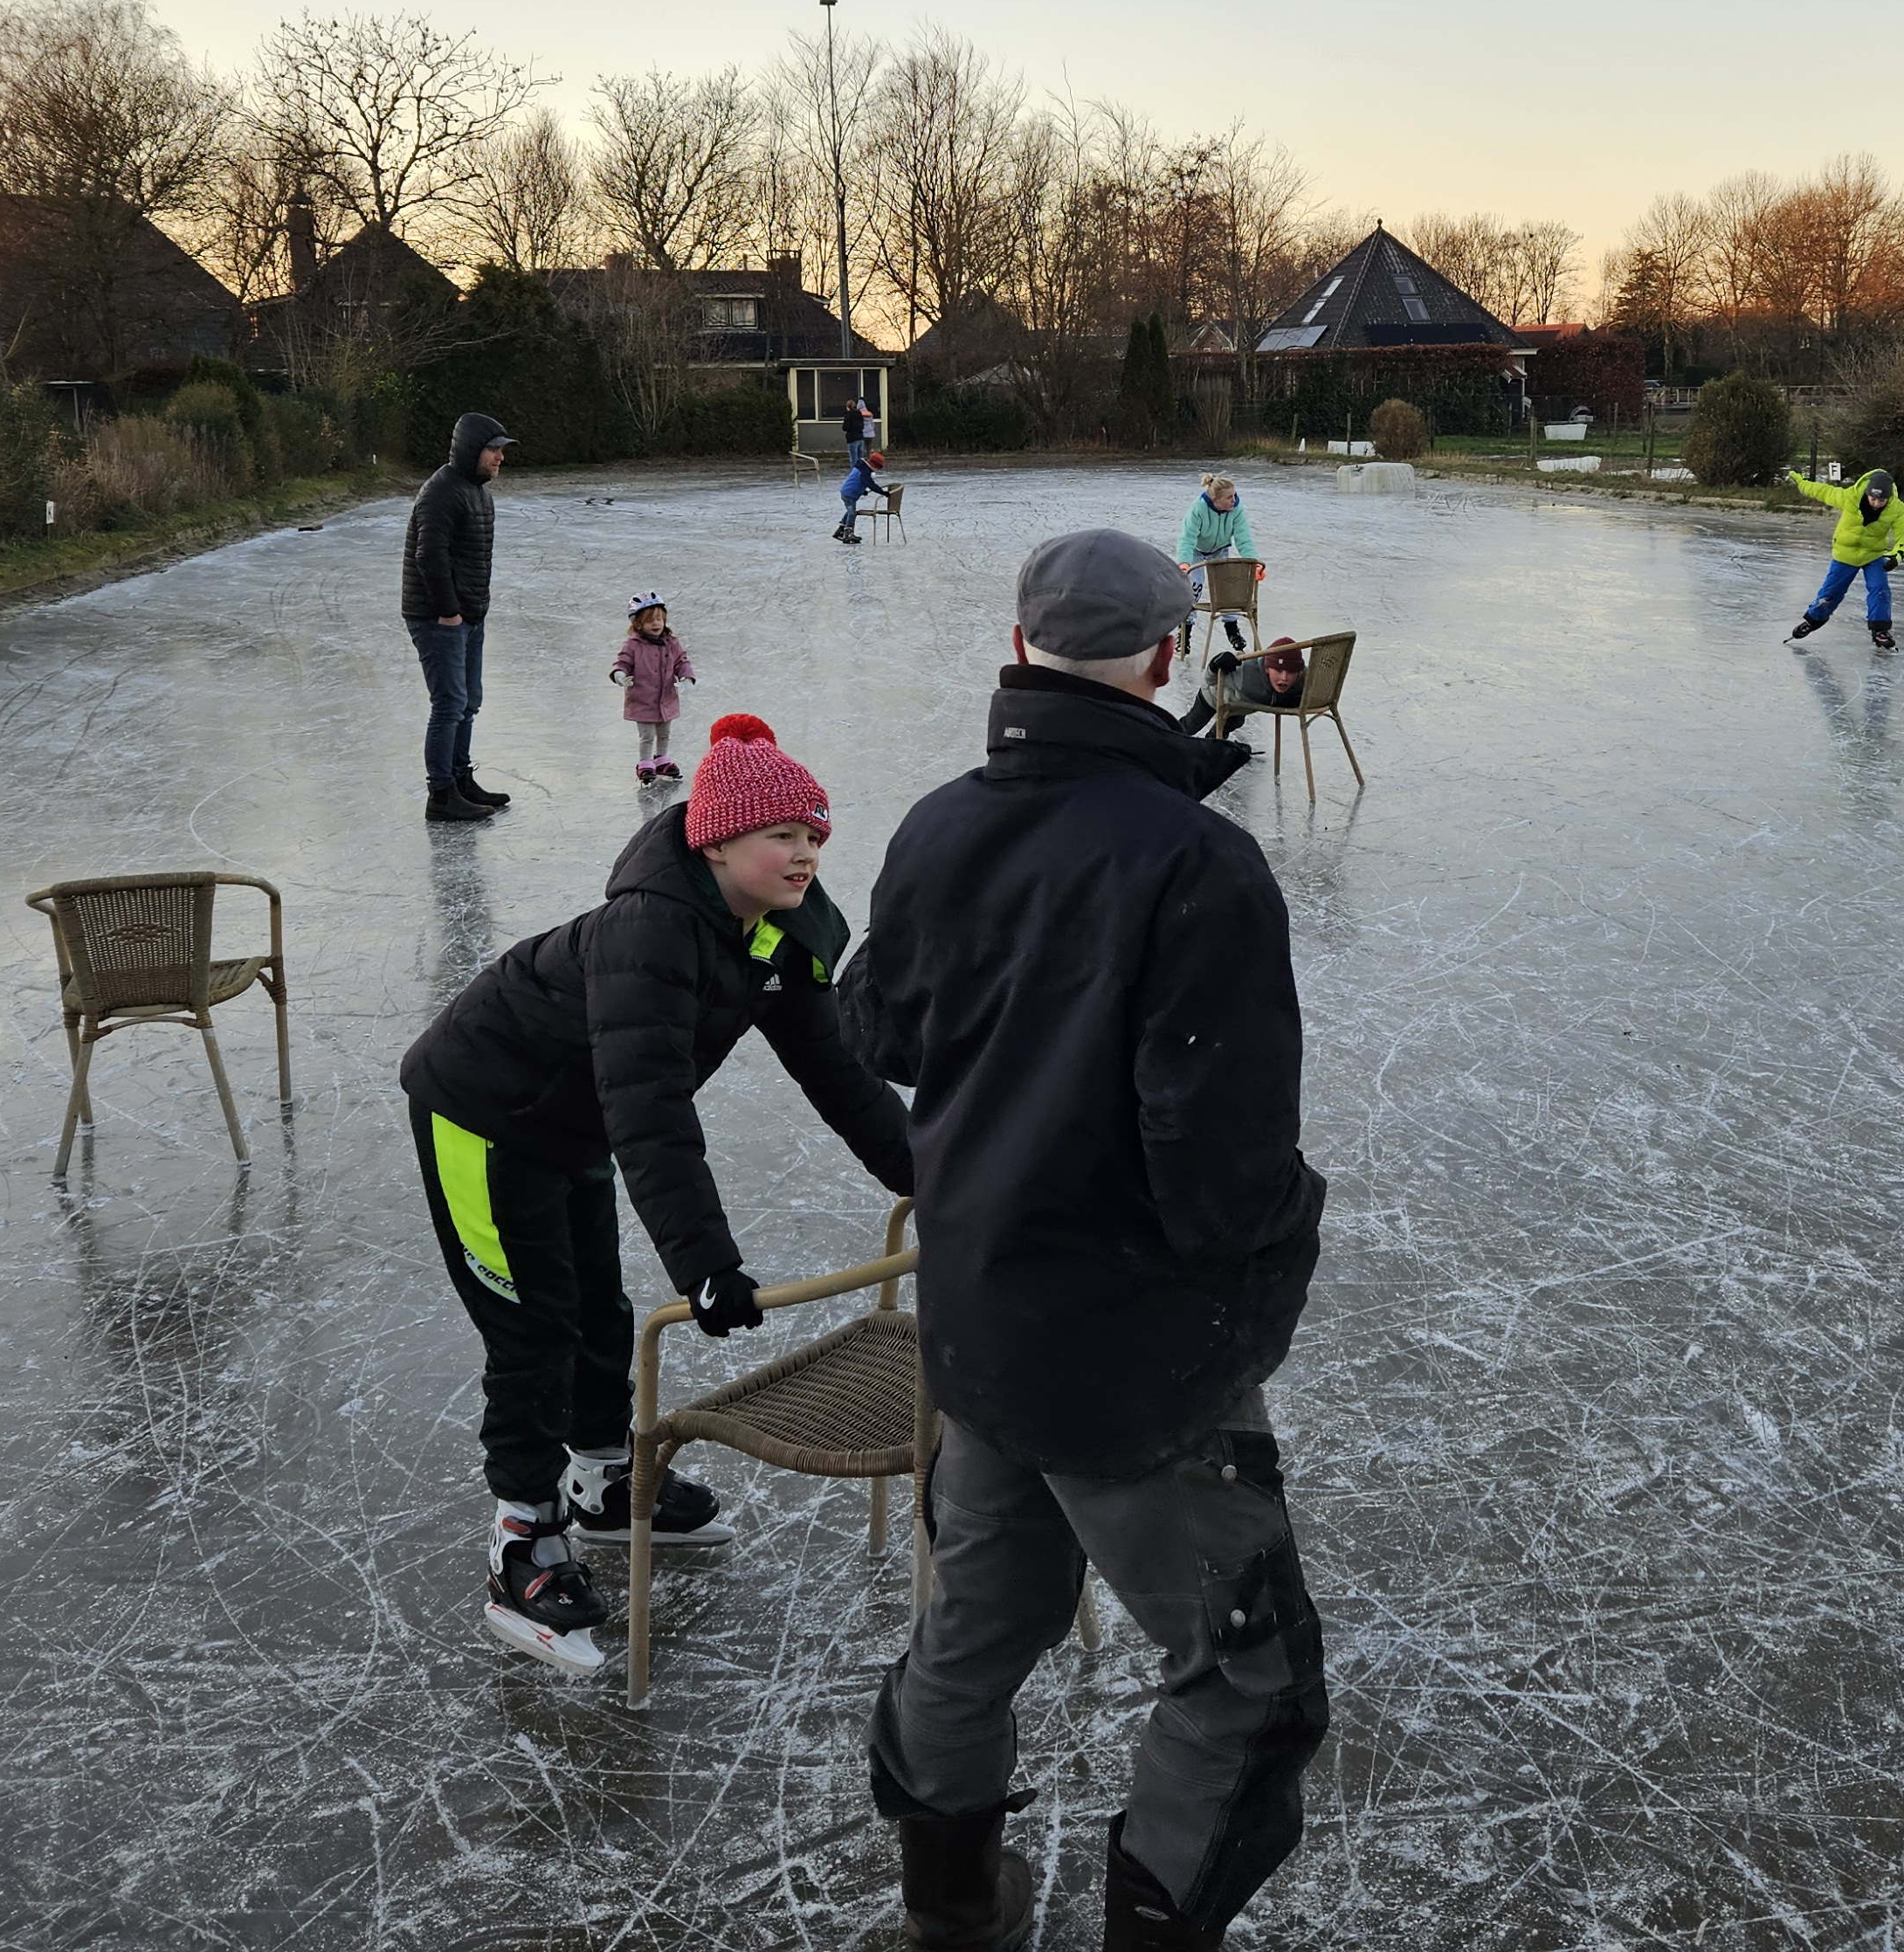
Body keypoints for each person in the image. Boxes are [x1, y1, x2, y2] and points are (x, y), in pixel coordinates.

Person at [844, 529, 1323, 1951]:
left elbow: (882, 1028)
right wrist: (1286, 1239)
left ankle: (948, 1914)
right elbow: (1224, 1177)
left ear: (1019, 642)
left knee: (975, 1636)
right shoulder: (1201, 874)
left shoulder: (941, 827)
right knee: (1251, 1687)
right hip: (1132, 1373)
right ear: (1168, 653)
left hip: (981, 1331)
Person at [399, 711, 915, 1673]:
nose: (805, 853)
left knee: (600, 1309)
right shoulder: (651, 930)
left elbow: (841, 1074)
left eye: (814, 835)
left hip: (572, 1123)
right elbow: (650, 1108)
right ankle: (521, 1537)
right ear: (717, 840)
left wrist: (939, 1178)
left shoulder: (776, 933)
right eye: (782, 836)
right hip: (483, 1113)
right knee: (533, 1331)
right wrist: (709, 1264)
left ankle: (601, 1483)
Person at [404, 412, 515, 822]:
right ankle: (441, 795)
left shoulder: (478, 490)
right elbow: (429, 556)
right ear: (471, 450)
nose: (500, 457)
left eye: (502, 450)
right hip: (438, 617)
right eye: (494, 449)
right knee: (450, 703)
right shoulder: (441, 492)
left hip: (468, 614)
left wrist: (472, 609)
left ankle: (460, 779)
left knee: (469, 702)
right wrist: (449, 611)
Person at [1782, 462, 1904, 651]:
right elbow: (1821, 491)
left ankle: (1880, 630)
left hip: (1874, 554)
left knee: (1880, 590)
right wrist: (1801, 481)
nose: (1876, 503)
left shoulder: (1896, 509)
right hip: (1845, 554)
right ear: (1867, 492)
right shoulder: (1849, 497)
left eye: (1882, 500)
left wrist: (1897, 555)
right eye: (1873, 498)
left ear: (1889, 498)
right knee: (1830, 593)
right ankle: (1813, 620)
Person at [1173, 471, 1262, 654]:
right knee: (1193, 589)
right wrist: (1184, 563)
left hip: (1220, 550)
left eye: (1235, 495)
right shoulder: (1198, 509)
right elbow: (1187, 539)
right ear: (1215, 500)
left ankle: (1232, 629)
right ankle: (1184, 632)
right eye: (1229, 497)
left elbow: (1243, 538)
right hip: (1196, 551)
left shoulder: (1236, 508)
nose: (1234, 500)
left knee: (1227, 588)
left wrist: (1254, 563)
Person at [612, 594, 695, 784]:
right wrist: (619, 675)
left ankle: (662, 760)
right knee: (647, 735)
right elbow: (622, 662)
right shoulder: (633, 645)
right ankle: (645, 763)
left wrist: (687, 678)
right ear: (638, 624)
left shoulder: (671, 643)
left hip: (666, 699)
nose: (655, 624)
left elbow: (681, 661)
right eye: (649, 621)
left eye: (658, 619)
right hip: (643, 699)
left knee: (664, 733)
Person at [1185, 632, 1307, 742]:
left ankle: (1212, 742)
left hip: (1240, 706)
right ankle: (1169, 740)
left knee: (1233, 723)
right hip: (1214, 695)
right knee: (1192, 725)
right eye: (1278, 670)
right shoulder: (1246, 673)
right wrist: (1214, 665)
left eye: (1291, 672)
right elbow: (1210, 680)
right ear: (1267, 668)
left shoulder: (1301, 680)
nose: (1284, 677)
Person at [836, 442, 900, 545]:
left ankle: (840, 530)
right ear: (874, 466)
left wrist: (863, 491)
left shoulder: (861, 468)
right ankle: (847, 533)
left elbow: (857, 482)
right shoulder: (865, 471)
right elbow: (870, 483)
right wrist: (882, 492)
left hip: (848, 492)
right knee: (852, 512)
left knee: (850, 511)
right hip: (849, 494)